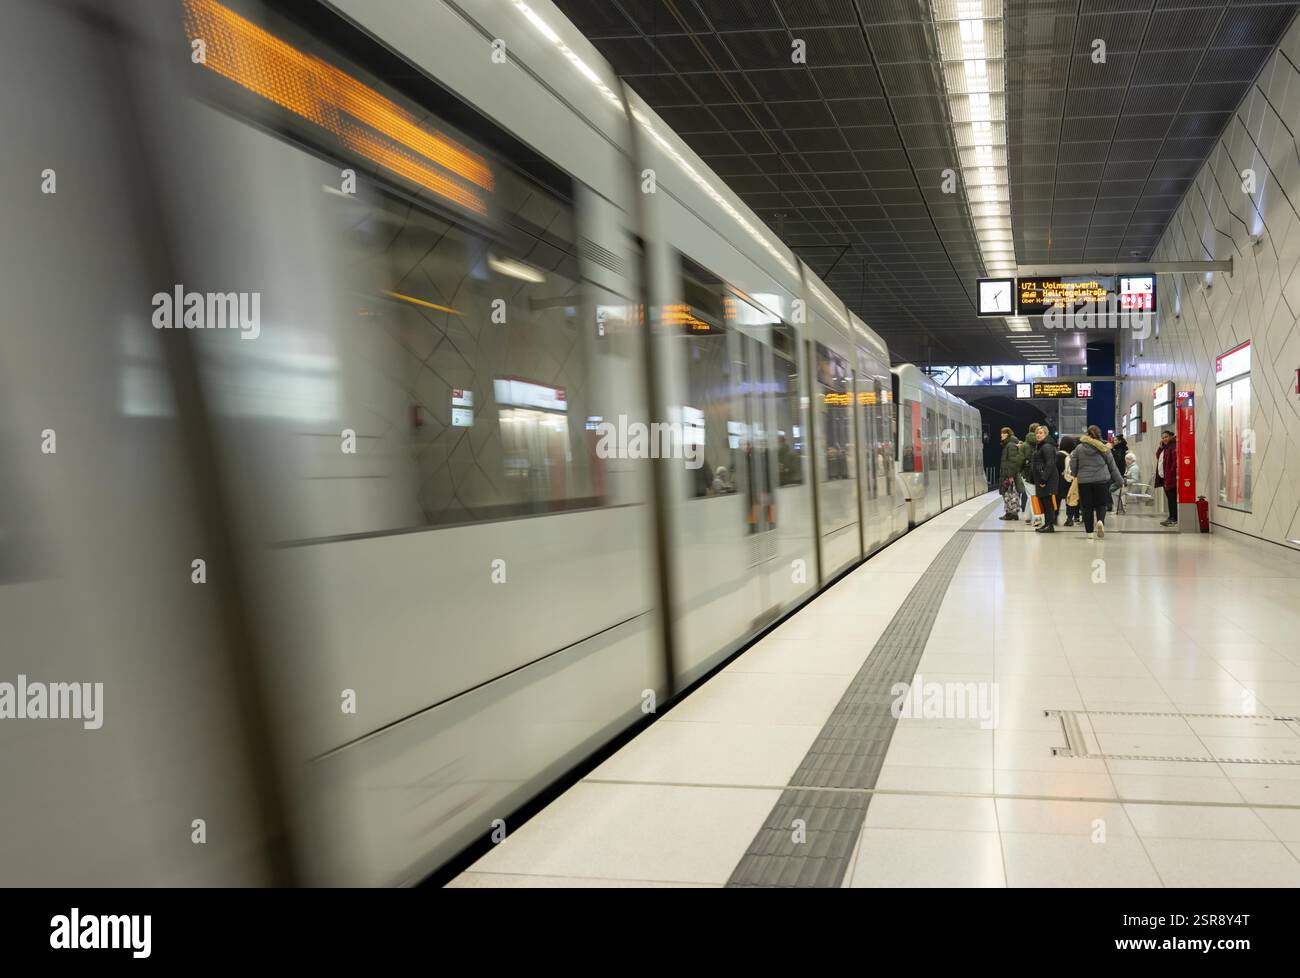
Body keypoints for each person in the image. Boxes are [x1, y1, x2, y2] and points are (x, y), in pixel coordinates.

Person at [1070, 425, 1125, 539]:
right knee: (1101, 505)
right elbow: (1112, 467)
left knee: (1087, 507)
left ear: (1087, 434)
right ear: (1099, 434)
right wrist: (1120, 481)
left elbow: (1073, 463)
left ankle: (1089, 533)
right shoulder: (1104, 447)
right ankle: (1100, 521)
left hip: (1084, 482)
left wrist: (1075, 474)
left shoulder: (1079, 448)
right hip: (1101, 481)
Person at [1030, 424, 1059, 532]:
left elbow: (1050, 464)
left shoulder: (1046, 446)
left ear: (1046, 434)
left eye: (1041, 433)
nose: (1038, 435)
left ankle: (1049, 525)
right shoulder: (1042, 445)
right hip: (1043, 478)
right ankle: (1047, 523)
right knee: (1045, 502)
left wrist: (1043, 479)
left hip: (1047, 479)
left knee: (1048, 503)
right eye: (1037, 433)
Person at [1154, 430, 1178, 526]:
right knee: (1170, 499)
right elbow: (1158, 457)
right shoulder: (1166, 447)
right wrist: (1160, 448)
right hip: (1165, 478)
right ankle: (1171, 516)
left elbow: (1175, 463)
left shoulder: (1173, 447)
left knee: (1172, 499)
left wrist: (1170, 475)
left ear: (1171, 436)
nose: (1164, 439)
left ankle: (1174, 518)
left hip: (1170, 478)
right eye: (1163, 437)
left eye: (1166, 437)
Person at [997, 427, 1022, 520]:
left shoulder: (1010, 445)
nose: (1001, 435)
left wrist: (1011, 475)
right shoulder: (1009, 444)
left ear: (1008, 434)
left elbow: (1012, 461)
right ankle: (1011, 513)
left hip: (1008, 474)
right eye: (1001, 433)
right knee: (1008, 494)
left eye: (1004, 433)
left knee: (1010, 494)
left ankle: (1011, 513)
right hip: (1007, 473)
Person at [1019, 423, 1039, 522]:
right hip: (1037, 473)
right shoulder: (1039, 443)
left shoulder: (1024, 445)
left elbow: (1020, 461)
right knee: (1033, 495)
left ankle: (1031, 517)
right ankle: (1032, 517)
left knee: (1031, 496)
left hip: (1026, 474)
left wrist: (1020, 471)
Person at [1059, 435, 1080, 526]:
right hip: (1070, 480)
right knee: (1070, 499)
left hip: (1058, 481)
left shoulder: (1057, 454)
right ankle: (1070, 518)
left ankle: (1054, 516)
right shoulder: (1073, 455)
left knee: (1057, 499)